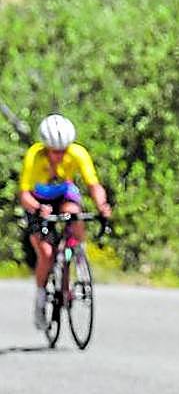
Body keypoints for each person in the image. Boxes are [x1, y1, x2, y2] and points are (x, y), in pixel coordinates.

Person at [18, 114, 113, 330]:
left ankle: (76, 252)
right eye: (55, 151)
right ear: (46, 147)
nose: (60, 156)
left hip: (63, 194)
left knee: (75, 213)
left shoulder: (77, 153)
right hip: (37, 199)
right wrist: (37, 208)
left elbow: (93, 185)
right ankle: (41, 298)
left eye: (63, 151)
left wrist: (102, 206)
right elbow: (23, 195)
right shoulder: (34, 155)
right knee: (47, 253)